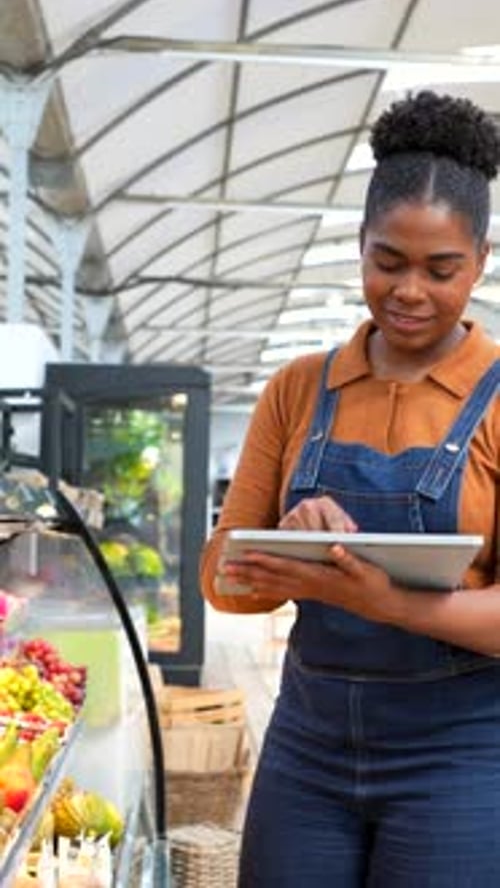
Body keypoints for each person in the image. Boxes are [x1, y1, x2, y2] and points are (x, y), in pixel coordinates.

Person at [199, 89, 500, 887]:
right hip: (308, 741)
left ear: (482, 259)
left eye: (442, 270)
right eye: (387, 261)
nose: (409, 291)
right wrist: (285, 545)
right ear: (360, 247)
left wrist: (384, 600)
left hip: (461, 753)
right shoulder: (299, 390)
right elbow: (222, 583)